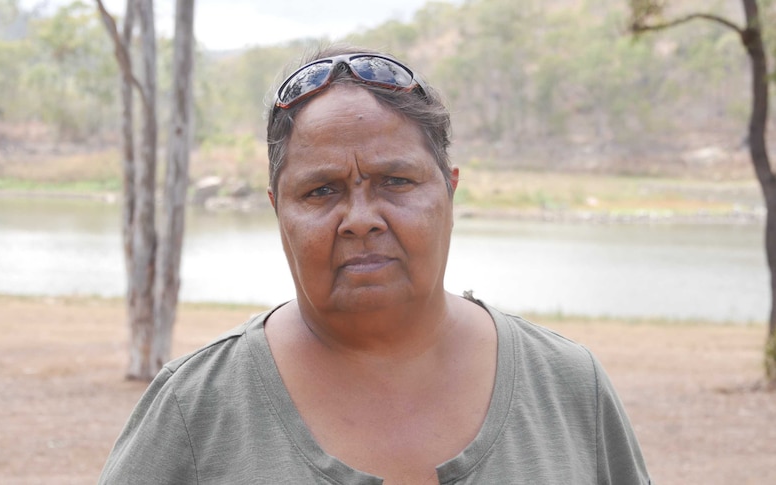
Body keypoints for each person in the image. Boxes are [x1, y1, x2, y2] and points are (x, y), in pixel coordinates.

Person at [98, 45, 651, 484]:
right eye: (321, 190)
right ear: (277, 209)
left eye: (396, 181)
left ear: (450, 193)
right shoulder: (195, 409)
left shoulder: (567, 385)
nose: (360, 219)